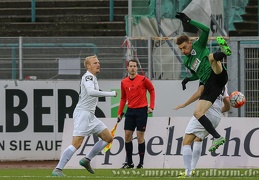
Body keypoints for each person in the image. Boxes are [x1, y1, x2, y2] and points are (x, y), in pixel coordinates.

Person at [52, 55, 117, 176]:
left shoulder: (93, 77)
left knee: (108, 138)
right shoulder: (88, 76)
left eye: (98, 62)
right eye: (95, 63)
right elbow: (91, 92)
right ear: (88, 66)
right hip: (83, 114)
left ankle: (86, 160)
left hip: (90, 115)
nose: (98, 64)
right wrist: (111, 93)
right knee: (76, 143)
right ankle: (58, 169)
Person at [175, 12, 231, 152]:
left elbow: (206, 29)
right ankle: (217, 137)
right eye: (180, 49)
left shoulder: (199, 45)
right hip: (212, 86)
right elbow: (197, 74)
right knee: (197, 113)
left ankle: (223, 52)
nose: (183, 51)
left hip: (218, 75)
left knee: (211, 58)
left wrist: (189, 20)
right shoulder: (187, 61)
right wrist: (188, 79)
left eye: (185, 47)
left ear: (190, 43)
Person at [174, 83, 230, 178]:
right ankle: (193, 169)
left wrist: (184, 104)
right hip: (216, 117)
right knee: (197, 139)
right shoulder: (223, 84)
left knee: (186, 142)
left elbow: (199, 93)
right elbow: (228, 106)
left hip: (204, 114)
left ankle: (188, 172)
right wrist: (216, 112)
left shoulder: (206, 77)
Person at [118, 59, 155, 169]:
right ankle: (129, 163)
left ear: (137, 68)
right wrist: (120, 112)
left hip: (141, 111)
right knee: (127, 136)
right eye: (131, 66)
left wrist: (151, 106)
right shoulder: (124, 82)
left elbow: (152, 90)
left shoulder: (143, 79)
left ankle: (141, 163)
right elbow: (123, 98)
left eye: (134, 66)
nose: (133, 68)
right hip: (130, 111)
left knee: (140, 137)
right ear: (127, 68)